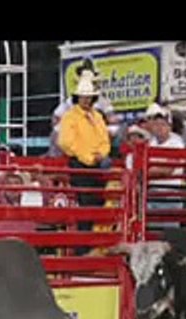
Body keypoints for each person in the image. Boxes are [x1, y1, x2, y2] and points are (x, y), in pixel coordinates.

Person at [57, 71, 110, 236]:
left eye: (89, 97)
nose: (86, 100)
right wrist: (87, 157)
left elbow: (105, 140)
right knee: (86, 205)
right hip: (80, 165)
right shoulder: (70, 117)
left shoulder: (97, 117)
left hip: (96, 165)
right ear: (78, 98)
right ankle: (84, 243)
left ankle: (92, 241)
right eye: (84, 97)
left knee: (97, 204)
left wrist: (101, 154)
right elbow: (65, 142)